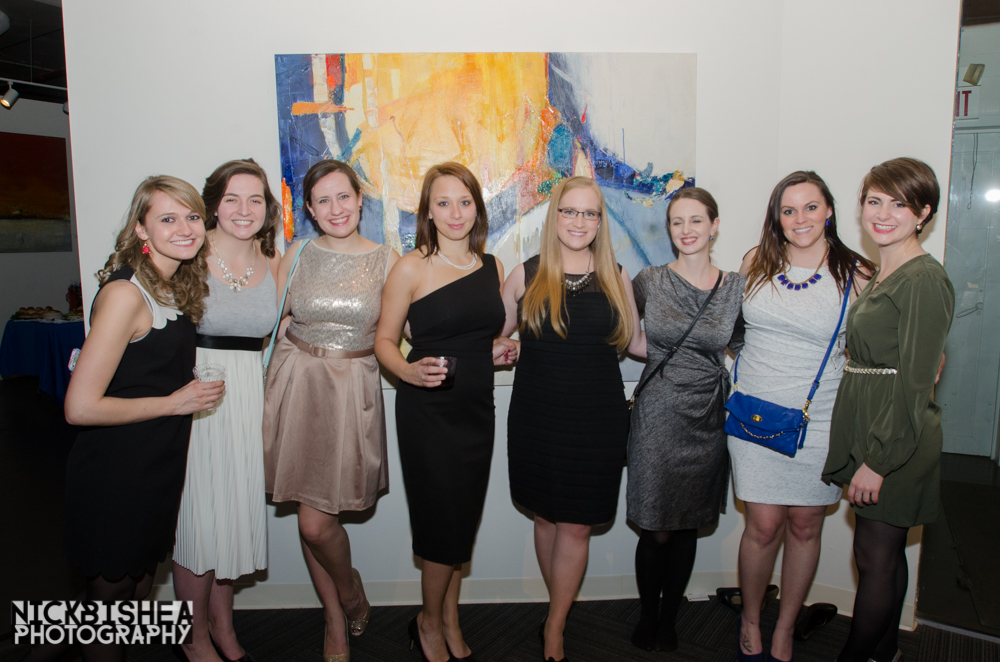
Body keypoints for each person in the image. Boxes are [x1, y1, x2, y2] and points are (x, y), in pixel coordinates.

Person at [62, 176, 224, 662]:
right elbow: (79, 407)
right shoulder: (126, 295)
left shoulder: (171, 286)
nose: (185, 228)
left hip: (155, 464)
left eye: (192, 216)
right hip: (117, 470)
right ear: (141, 229)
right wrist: (175, 402)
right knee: (109, 608)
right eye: (168, 218)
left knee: (125, 599)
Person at [729, 171, 875, 662]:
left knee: (807, 525)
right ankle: (751, 619)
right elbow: (730, 329)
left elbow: (880, 343)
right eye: (788, 210)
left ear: (829, 210)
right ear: (778, 218)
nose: (800, 219)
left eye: (811, 207)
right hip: (752, 417)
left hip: (820, 420)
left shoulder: (857, 272)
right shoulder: (756, 260)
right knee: (762, 527)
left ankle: (786, 628)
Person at [375, 162, 514, 662]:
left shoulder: (492, 266)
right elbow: (384, 342)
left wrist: (497, 349)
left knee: (461, 521)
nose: (455, 213)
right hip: (429, 415)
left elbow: (476, 337)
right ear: (428, 212)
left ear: (477, 207)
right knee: (441, 525)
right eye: (443, 203)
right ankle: (428, 623)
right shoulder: (411, 267)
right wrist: (407, 372)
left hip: (477, 410)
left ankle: (450, 619)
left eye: (464, 202)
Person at [263, 160, 399, 662]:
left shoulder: (388, 259)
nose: (336, 208)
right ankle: (337, 614)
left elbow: (411, 329)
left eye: (344, 196)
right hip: (297, 384)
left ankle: (348, 594)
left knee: (316, 525)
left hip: (351, 391)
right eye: (323, 200)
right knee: (310, 517)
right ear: (310, 209)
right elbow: (268, 321)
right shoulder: (297, 253)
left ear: (361, 199)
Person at [501, 176, 641, 662]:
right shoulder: (524, 275)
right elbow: (493, 335)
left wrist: (699, 344)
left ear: (600, 222)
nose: (579, 221)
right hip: (536, 417)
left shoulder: (617, 276)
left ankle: (555, 627)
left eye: (590, 213)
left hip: (597, 420)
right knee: (545, 516)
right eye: (570, 211)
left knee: (577, 526)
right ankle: (555, 610)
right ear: (554, 216)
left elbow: (636, 343)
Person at [824, 158, 954, 662]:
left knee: (874, 555)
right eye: (874, 201)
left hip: (896, 437)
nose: (882, 214)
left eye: (899, 204)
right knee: (885, 552)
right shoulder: (887, 271)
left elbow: (916, 384)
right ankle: (884, 652)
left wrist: (879, 461)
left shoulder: (923, 279)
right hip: (875, 425)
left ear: (923, 213)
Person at [626, 187, 745, 652]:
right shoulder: (650, 281)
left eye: (696, 220)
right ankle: (647, 614)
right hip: (657, 412)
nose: (686, 230)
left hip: (707, 416)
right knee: (656, 527)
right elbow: (627, 336)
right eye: (677, 221)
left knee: (686, 523)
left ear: (714, 226)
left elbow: (747, 346)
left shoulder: (735, 287)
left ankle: (669, 618)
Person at [172, 159, 282, 662]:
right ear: (213, 204)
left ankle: (223, 626)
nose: (244, 209)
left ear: (267, 208)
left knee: (231, 514)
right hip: (196, 396)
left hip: (246, 397)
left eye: (255, 199)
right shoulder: (189, 252)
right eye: (232, 198)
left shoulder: (271, 259)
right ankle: (192, 637)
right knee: (198, 520)